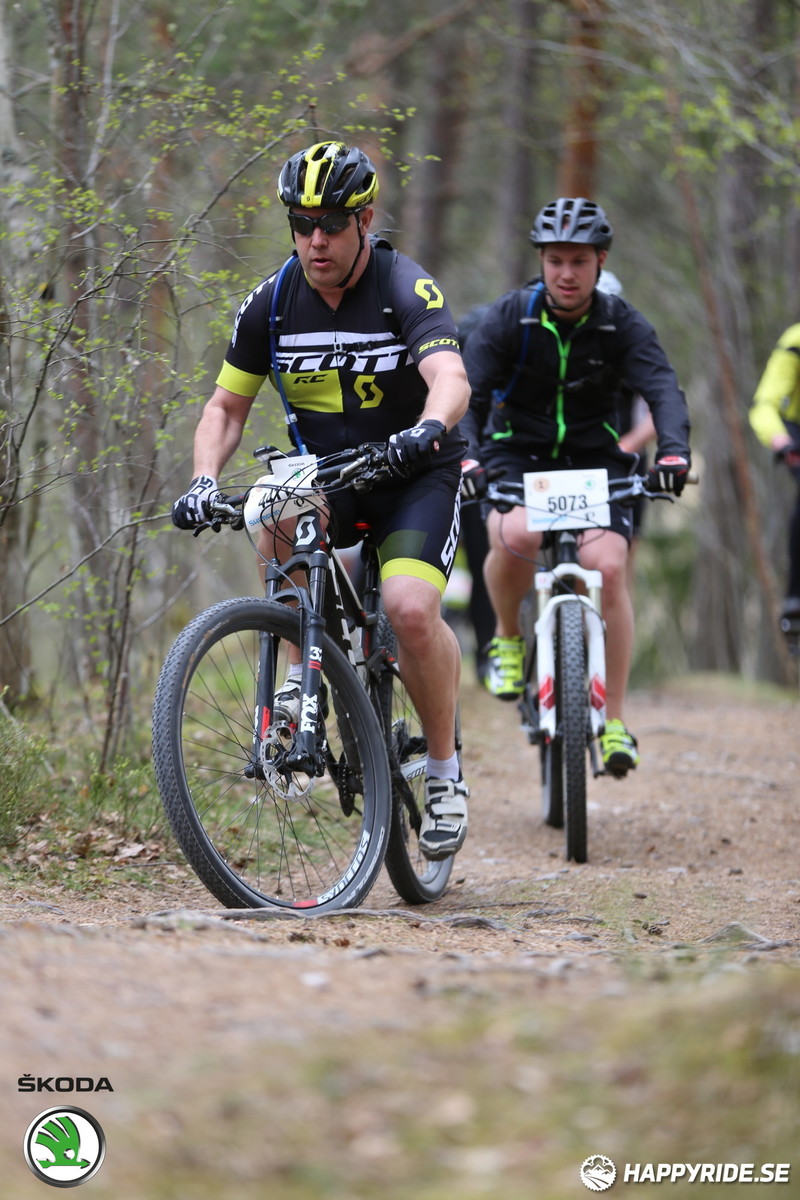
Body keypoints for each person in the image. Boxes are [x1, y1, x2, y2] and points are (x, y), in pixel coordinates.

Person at [171, 140, 471, 859]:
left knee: (407, 608)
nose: (315, 240)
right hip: (331, 475)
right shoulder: (273, 301)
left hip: (411, 476)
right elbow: (224, 409)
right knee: (271, 506)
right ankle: (299, 687)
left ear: (365, 219)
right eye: (301, 224)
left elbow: (451, 377)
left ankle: (444, 772)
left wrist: (426, 429)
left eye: (331, 224)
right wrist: (204, 479)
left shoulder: (404, 286)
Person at [459, 197, 691, 776]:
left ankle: (613, 722)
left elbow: (662, 388)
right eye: (556, 260)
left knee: (609, 567)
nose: (566, 273)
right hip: (517, 452)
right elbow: (467, 391)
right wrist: (467, 458)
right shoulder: (511, 317)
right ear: (541, 261)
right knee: (513, 534)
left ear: (599, 261)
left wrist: (674, 450)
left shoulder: (620, 323)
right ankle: (508, 638)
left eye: (579, 262)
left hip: (596, 460)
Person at [750, 323, 800, 628]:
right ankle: (796, 596)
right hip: (794, 427)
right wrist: (780, 440)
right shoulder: (796, 340)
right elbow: (765, 404)